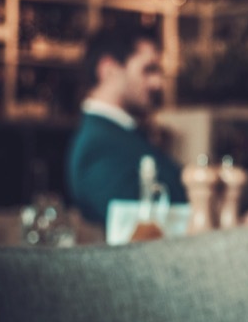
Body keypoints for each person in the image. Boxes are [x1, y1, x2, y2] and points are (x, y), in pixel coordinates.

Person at [66, 23, 188, 225]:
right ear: (109, 70)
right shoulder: (98, 146)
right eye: (148, 69)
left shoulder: (122, 134)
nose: (158, 83)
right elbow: (138, 232)